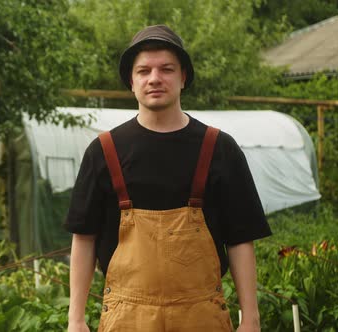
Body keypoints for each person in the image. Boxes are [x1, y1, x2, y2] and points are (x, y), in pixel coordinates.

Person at [64, 25, 272, 332]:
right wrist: (76, 319)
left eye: (166, 69)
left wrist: (251, 319)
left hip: (202, 317)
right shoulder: (103, 151)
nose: (154, 79)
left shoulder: (219, 149)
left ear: (183, 77)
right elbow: (84, 237)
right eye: (144, 71)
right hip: (126, 319)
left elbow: (240, 239)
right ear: (131, 81)